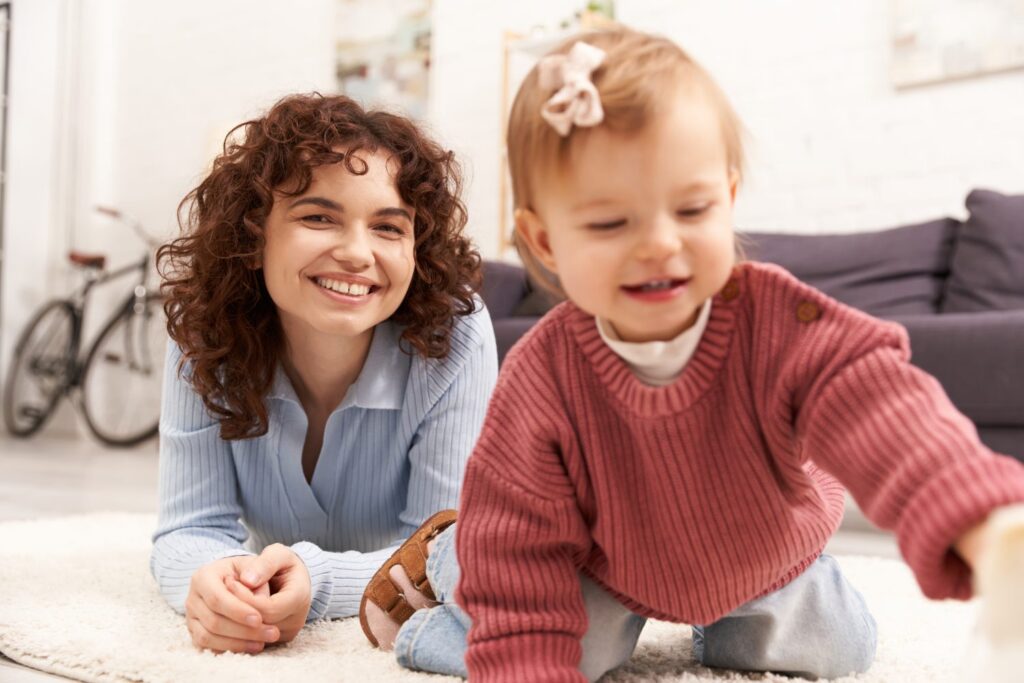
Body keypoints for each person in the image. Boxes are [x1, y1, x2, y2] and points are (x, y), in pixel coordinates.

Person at [360, 26, 1024, 681]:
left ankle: (729, 616)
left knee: (841, 646)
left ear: (729, 200)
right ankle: (447, 567)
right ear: (546, 243)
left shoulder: (779, 320)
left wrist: (981, 521)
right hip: (602, 560)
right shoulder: (544, 376)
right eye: (610, 223)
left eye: (691, 208)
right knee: (546, 644)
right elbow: (519, 539)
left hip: (762, 550)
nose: (658, 244)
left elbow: (881, 408)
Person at [150, 93, 498, 655]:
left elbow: (440, 555)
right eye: (318, 217)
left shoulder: (455, 337)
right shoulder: (204, 333)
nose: (358, 253)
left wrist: (316, 582)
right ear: (253, 235)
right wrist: (218, 584)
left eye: (389, 227)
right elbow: (189, 528)